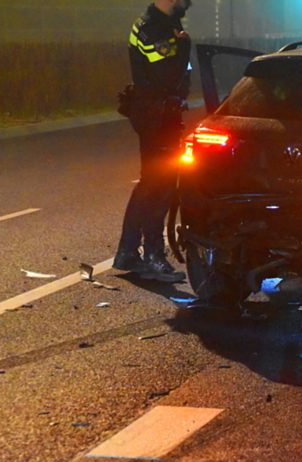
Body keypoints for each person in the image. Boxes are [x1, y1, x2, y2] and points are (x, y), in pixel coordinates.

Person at [113, 0, 192, 282]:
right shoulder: (152, 28)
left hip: (162, 115)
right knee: (157, 185)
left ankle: (130, 252)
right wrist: (184, 47)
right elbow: (166, 76)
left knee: (155, 184)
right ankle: (151, 255)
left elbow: (177, 73)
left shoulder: (164, 25)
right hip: (156, 117)